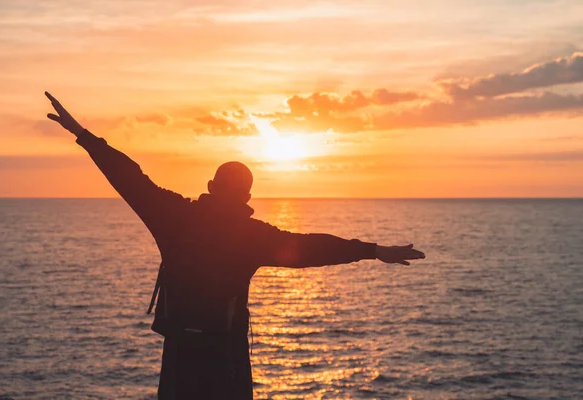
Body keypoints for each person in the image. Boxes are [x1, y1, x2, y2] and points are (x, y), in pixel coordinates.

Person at [44, 91, 425, 399]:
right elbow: (312, 247)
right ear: (247, 197)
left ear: (211, 188)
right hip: (226, 355)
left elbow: (128, 176)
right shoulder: (253, 237)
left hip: (180, 354)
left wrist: (82, 133)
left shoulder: (174, 216)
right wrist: (373, 250)